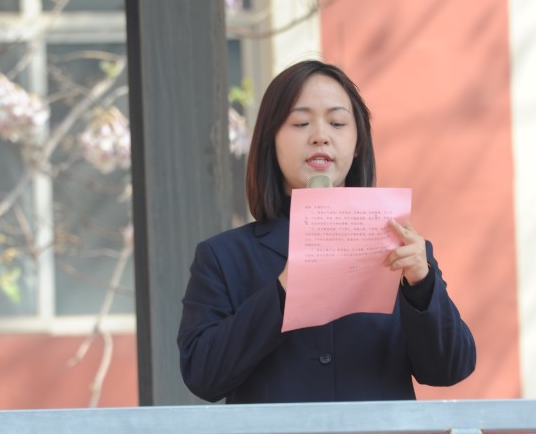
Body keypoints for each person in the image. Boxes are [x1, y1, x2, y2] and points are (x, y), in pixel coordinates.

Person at [177, 59, 475, 404]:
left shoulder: (401, 248)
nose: (320, 136)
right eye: (300, 123)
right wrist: (283, 292)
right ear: (270, 141)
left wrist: (422, 285)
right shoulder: (223, 257)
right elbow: (202, 376)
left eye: (337, 123)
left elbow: (451, 368)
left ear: (358, 143)